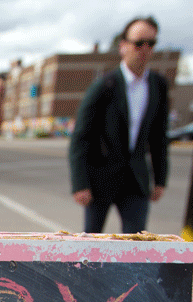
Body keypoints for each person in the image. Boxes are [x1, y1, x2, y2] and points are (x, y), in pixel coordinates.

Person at [69, 16, 170, 234]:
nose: (144, 49)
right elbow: (81, 136)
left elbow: (159, 137)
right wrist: (80, 183)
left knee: (136, 242)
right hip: (100, 180)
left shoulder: (158, 86)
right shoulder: (104, 85)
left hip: (136, 180)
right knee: (92, 241)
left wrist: (160, 179)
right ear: (123, 46)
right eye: (138, 43)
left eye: (150, 43)